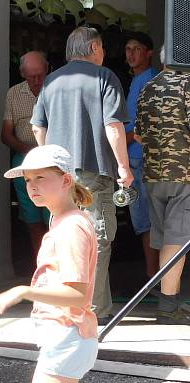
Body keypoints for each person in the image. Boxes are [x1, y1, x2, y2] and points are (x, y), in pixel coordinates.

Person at [0, 144, 105, 383]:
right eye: (27, 179)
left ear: (66, 180)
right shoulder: (62, 219)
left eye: (41, 178)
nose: (31, 185)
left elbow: (77, 295)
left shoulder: (71, 228)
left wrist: (21, 291)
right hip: (60, 337)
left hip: (68, 335)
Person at [31, 26, 133, 326]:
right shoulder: (104, 78)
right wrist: (124, 168)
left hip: (58, 176)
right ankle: (94, 309)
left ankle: (63, 305)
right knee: (97, 239)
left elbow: (38, 127)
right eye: (102, 48)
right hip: (94, 172)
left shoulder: (52, 80)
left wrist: (48, 161)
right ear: (95, 48)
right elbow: (113, 125)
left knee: (63, 238)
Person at [135, 64, 190, 325]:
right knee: (177, 241)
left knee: (166, 239)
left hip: (154, 175)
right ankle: (168, 307)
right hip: (184, 174)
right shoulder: (187, 84)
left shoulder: (148, 86)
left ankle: (173, 301)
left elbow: (137, 134)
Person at [1, 51, 50, 254]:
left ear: (48, 70)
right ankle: (40, 265)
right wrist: (30, 151)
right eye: (31, 76)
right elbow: (5, 135)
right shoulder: (14, 93)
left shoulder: (55, 89)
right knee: (31, 217)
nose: (37, 80)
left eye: (40, 74)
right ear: (22, 73)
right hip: (25, 160)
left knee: (55, 215)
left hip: (51, 160)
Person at [123, 32, 159, 279]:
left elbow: (149, 125)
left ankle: (153, 278)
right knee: (144, 221)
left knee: (150, 221)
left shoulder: (152, 80)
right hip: (133, 159)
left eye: (137, 48)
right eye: (128, 49)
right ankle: (153, 277)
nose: (131, 53)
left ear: (149, 52)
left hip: (145, 159)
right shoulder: (135, 80)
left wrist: (116, 141)